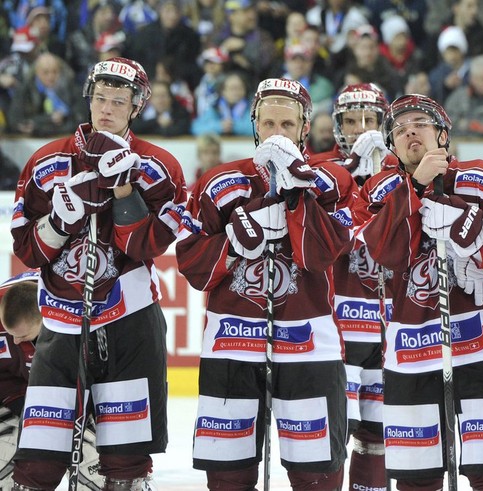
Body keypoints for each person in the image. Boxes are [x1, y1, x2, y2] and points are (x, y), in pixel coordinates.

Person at [10, 56, 187, 489]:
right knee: (37, 460)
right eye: (101, 98)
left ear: (135, 107)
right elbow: (27, 251)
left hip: (130, 324)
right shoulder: (48, 160)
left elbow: (148, 246)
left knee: (126, 463)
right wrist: (59, 223)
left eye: (119, 101)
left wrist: (124, 192)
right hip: (61, 325)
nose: (106, 108)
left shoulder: (158, 166)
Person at [176, 77, 356, 490]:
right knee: (227, 476)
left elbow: (322, 255)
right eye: (269, 124)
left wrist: (296, 198)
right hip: (231, 345)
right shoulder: (218, 182)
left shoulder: (331, 182)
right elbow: (192, 264)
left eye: (287, 126)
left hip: (309, 346)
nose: (277, 135)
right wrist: (235, 243)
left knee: (317, 476)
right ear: (254, 124)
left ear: (305, 129)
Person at [354, 94, 483, 490]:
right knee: (417, 481)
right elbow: (385, 253)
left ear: (443, 134)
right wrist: (414, 190)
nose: (409, 132)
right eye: (399, 130)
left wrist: (472, 233)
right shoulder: (380, 190)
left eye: (419, 122)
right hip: (411, 355)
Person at [309, 82, 397, 491]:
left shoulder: (404, 169)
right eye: (350, 120)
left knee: (379, 435)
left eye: (370, 119)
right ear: (336, 126)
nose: (361, 128)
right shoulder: (317, 170)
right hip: (335, 327)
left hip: (391, 326)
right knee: (333, 434)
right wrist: (352, 182)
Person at [0, 272, 103, 490]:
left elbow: (107, 374)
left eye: (24, 336)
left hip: (73, 397)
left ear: (45, 319)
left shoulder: (81, 314)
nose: (16, 341)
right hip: (15, 396)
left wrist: (84, 411)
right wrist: (22, 404)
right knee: (5, 449)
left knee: (92, 461)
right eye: (12, 335)